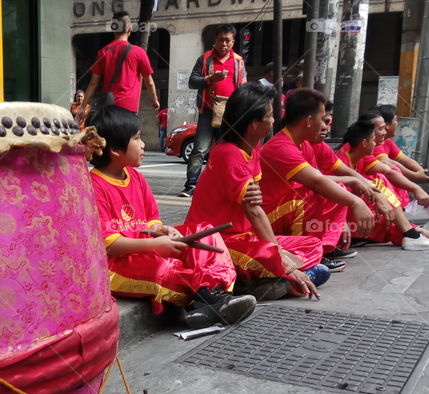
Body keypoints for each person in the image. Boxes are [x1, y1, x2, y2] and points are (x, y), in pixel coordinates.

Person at [87, 105, 256, 328]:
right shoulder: (93, 186)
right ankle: (209, 298)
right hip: (115, 264)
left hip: (147, 245)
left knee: (203, 232)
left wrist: (164, 231)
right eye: (137, 139)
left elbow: (152, 220)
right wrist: (155, 245)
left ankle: (210, 295)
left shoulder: (136, 177)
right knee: (161, 268)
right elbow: (108, 245)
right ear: (116, 150)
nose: (143, 145)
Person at [184, 83, 327, 300]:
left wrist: (280, 252)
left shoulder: (253, 147)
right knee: (273, 257)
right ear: (254, 124)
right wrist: (282, 259)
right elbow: (254, 211)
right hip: (220, 240)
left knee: (313, 245)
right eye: (269, 115)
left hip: (247, 236)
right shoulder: (228, 154)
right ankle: (267, 282)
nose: (273, 120)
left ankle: (283, 279)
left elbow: (255, 204)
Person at [259, 88, 376, 268]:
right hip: (266, 217)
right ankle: (310, 253)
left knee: (332, 189)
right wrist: (355, 203)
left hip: (284, 210)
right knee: (316, 192)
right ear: (309, 121)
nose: (325, 126)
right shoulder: (281, 147)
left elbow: (321, 179)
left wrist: (346, 209)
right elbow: (318, 182)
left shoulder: (303, 144)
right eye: (322, 119)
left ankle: (319, 250)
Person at [339, 119, 429, 252]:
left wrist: (416, 185)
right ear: (364, 142)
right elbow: (331, 186)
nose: (379, 138)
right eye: (376, 133)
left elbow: (389, 170)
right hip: (340, 218)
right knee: (378, 183)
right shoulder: (343, 156)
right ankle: (418, 235)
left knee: (382, 189)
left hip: (356, 212)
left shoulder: (360, 154)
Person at [179, 25, 247, 197]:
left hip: (230, 113)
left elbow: (243, 86)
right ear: (214, 41)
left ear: (233, 42)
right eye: (221, 40)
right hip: (207, 111)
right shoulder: (205, 59)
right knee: (199, 150)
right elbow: (192, 81)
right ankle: (191, 185)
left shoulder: (238, 61)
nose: (224, 44)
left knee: (227, 150)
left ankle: (224, 185)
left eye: (228, 40)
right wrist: (210, 79)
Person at [76, 12, 159, 122]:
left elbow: (93, 83)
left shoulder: (103, 52)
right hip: (129, 109)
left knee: (110, 138)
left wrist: (82, 107)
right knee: (130, 139)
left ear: (113, 28)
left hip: (109, 108)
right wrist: (154, 99)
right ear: (129, 29)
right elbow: (149, 81)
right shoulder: (139, 52)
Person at [372, 104, 429, 183]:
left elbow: (404, 159)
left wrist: (421, 172)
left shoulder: (387, 141)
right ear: (387, 125)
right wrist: (414, 176)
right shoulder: (374, 144)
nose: (397, 123)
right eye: (395, 120)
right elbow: (390, 163)